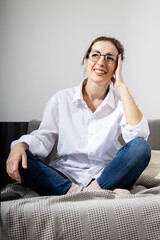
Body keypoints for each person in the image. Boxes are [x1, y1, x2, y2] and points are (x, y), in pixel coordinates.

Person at [6, 36, 151, 195]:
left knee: (141, 147)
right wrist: (20, 145)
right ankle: (83, 192)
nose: (101, 62)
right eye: (95, 55)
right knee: (21, 160)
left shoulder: (122, 102)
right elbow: (44, 138)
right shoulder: (61, 99)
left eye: (110, 58)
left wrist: (121, 86)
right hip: (65, 175)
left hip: (106, 175)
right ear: (86, 60)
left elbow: (139, 136)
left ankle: (89, 191)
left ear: (118, 66)